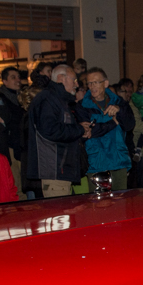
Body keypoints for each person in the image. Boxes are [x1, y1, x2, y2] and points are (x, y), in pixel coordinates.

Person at [26, 64, 91, 197]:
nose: (76, 84)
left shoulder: (57, 99)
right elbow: (50, 130)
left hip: (60, 169)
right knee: (59, 215)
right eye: (74, 80)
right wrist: (78, 129)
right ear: (61, 78)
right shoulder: (48, 99)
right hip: (54, 170)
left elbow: (61, 131)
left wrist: (80, 132)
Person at [76, 67, 135, 191]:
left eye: (96, 82)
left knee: (120, 204)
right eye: (89, 83)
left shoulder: (119, 102)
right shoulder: (82, 106)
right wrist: (113, 122)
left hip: (119, 161)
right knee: (98, 206)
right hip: (96, 163)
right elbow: (90, 131)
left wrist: (119, 111)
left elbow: (130, 126)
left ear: (106, 83)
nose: (92, 86)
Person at [0, 66, 26, 198]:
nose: (17, 80)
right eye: (13, 77)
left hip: (21, 143)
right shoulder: (1, 98)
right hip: (10, 144)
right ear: (4, 81)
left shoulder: (22, 97)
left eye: (18, 77)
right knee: (16, 182)